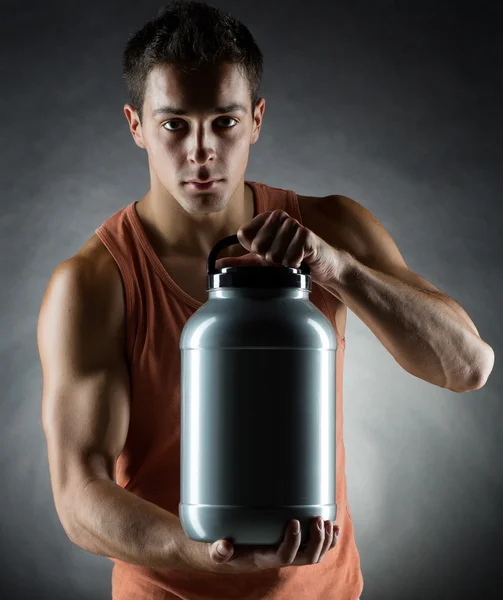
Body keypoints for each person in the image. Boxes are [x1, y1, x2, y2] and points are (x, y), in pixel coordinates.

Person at [38, 1, 491, 598]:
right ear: (136, 125)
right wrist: (198, 551)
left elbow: (468, 365)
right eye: (175, 124)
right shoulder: (95, 283)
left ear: (255, 120)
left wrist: (338, 269)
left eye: (223, 122)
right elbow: (79, 496)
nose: (201, 150)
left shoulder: (330, 228)